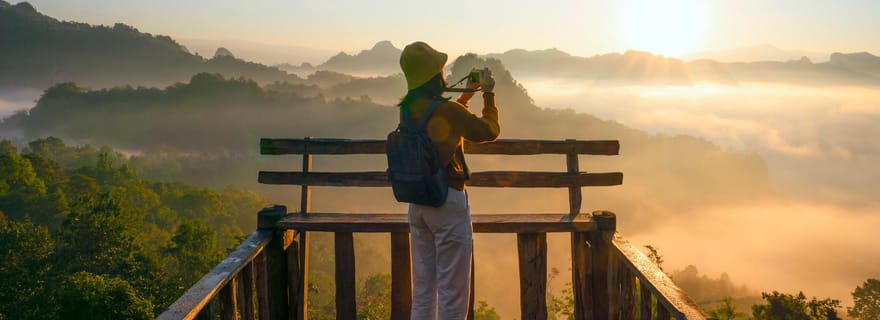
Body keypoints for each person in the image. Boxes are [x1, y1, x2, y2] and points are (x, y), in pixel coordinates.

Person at [398, 41, 501, 320]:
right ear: (436, 75)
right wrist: (488, 95)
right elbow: (489, 131)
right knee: (452, 299)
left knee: (423, 292)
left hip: (417, 206)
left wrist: (465, 98)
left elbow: (440, 124)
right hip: (447, 203)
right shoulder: (448, 112)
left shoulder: (407, 109)